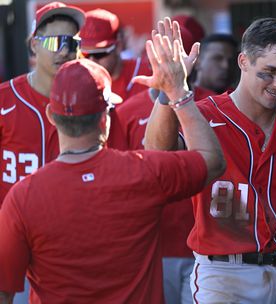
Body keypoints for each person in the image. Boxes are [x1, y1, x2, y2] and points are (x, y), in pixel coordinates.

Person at [0, 51, 225, 303]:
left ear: (52, 116)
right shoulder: (144, 172)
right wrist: (175, 92)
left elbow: (4, 291)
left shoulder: (22, 197)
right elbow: (213, 160)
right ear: (106, 116)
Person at [139, 17, 276, 303]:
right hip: (224, 273)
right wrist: (169, 91)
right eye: (269, 72)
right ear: (243, 61)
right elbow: (157, 154)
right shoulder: (204, 113)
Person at [107, 22, 216, 304]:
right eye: (165, 56)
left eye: (179, 56)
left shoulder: (217, 104)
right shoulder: (128, 110)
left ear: (194, 58)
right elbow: (118, 180)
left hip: (210, 245)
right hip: (155, 244)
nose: (172, 63)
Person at [0, 1, 84, 205]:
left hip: (68, 226)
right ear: (34, 45)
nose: (64, 52)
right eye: (54, 42)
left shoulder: (88, 99)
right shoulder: (5, 98)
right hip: (13, 227)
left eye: (71, 43)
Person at [79, 8, 152, 100]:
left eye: (100, 53)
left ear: (119, 46)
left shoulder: (147, 73)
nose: (92, 60)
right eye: (85, 54)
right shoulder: (78, 83)